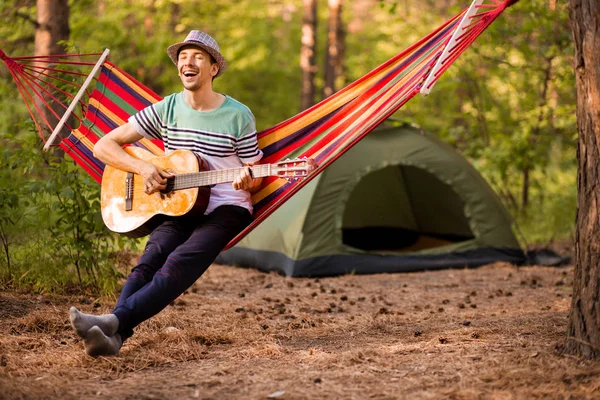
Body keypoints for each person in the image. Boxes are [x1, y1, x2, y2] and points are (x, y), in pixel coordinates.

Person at [69, 30, 263, 357]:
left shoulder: (238, 115)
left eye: (198, 56)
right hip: (178, 204)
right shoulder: (166, 108)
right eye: (183, 57)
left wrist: (248, 180)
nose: (188, 61)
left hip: (226, 208)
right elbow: (103, 145)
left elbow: (254, 174)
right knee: (148, 262)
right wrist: (142, 168)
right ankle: (114, 335)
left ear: (213, 68)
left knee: (177, 262)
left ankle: (112, 323)